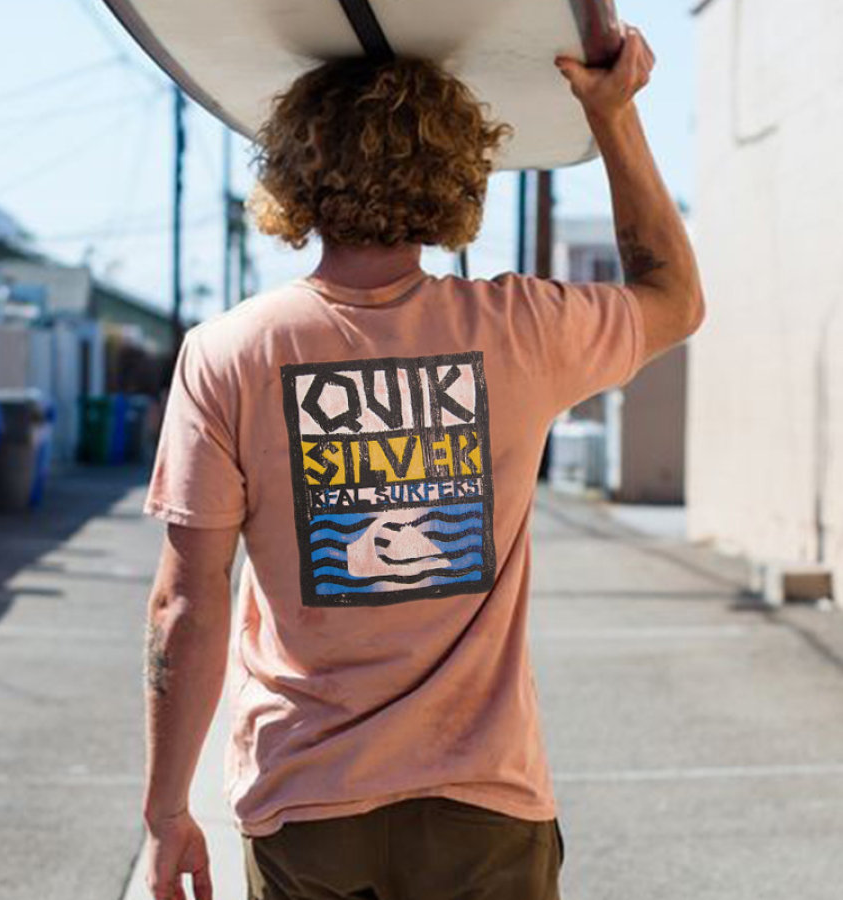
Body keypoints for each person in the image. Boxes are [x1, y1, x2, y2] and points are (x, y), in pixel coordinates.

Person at [140, 24, 704, 900]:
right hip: (485, 806)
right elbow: (672, 297)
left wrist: (166, 810)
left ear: (294, 172)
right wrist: (612, 114)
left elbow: (188, 601)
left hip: (307, 807)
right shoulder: (523, 331)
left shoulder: (229, 354)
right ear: (458, 172)